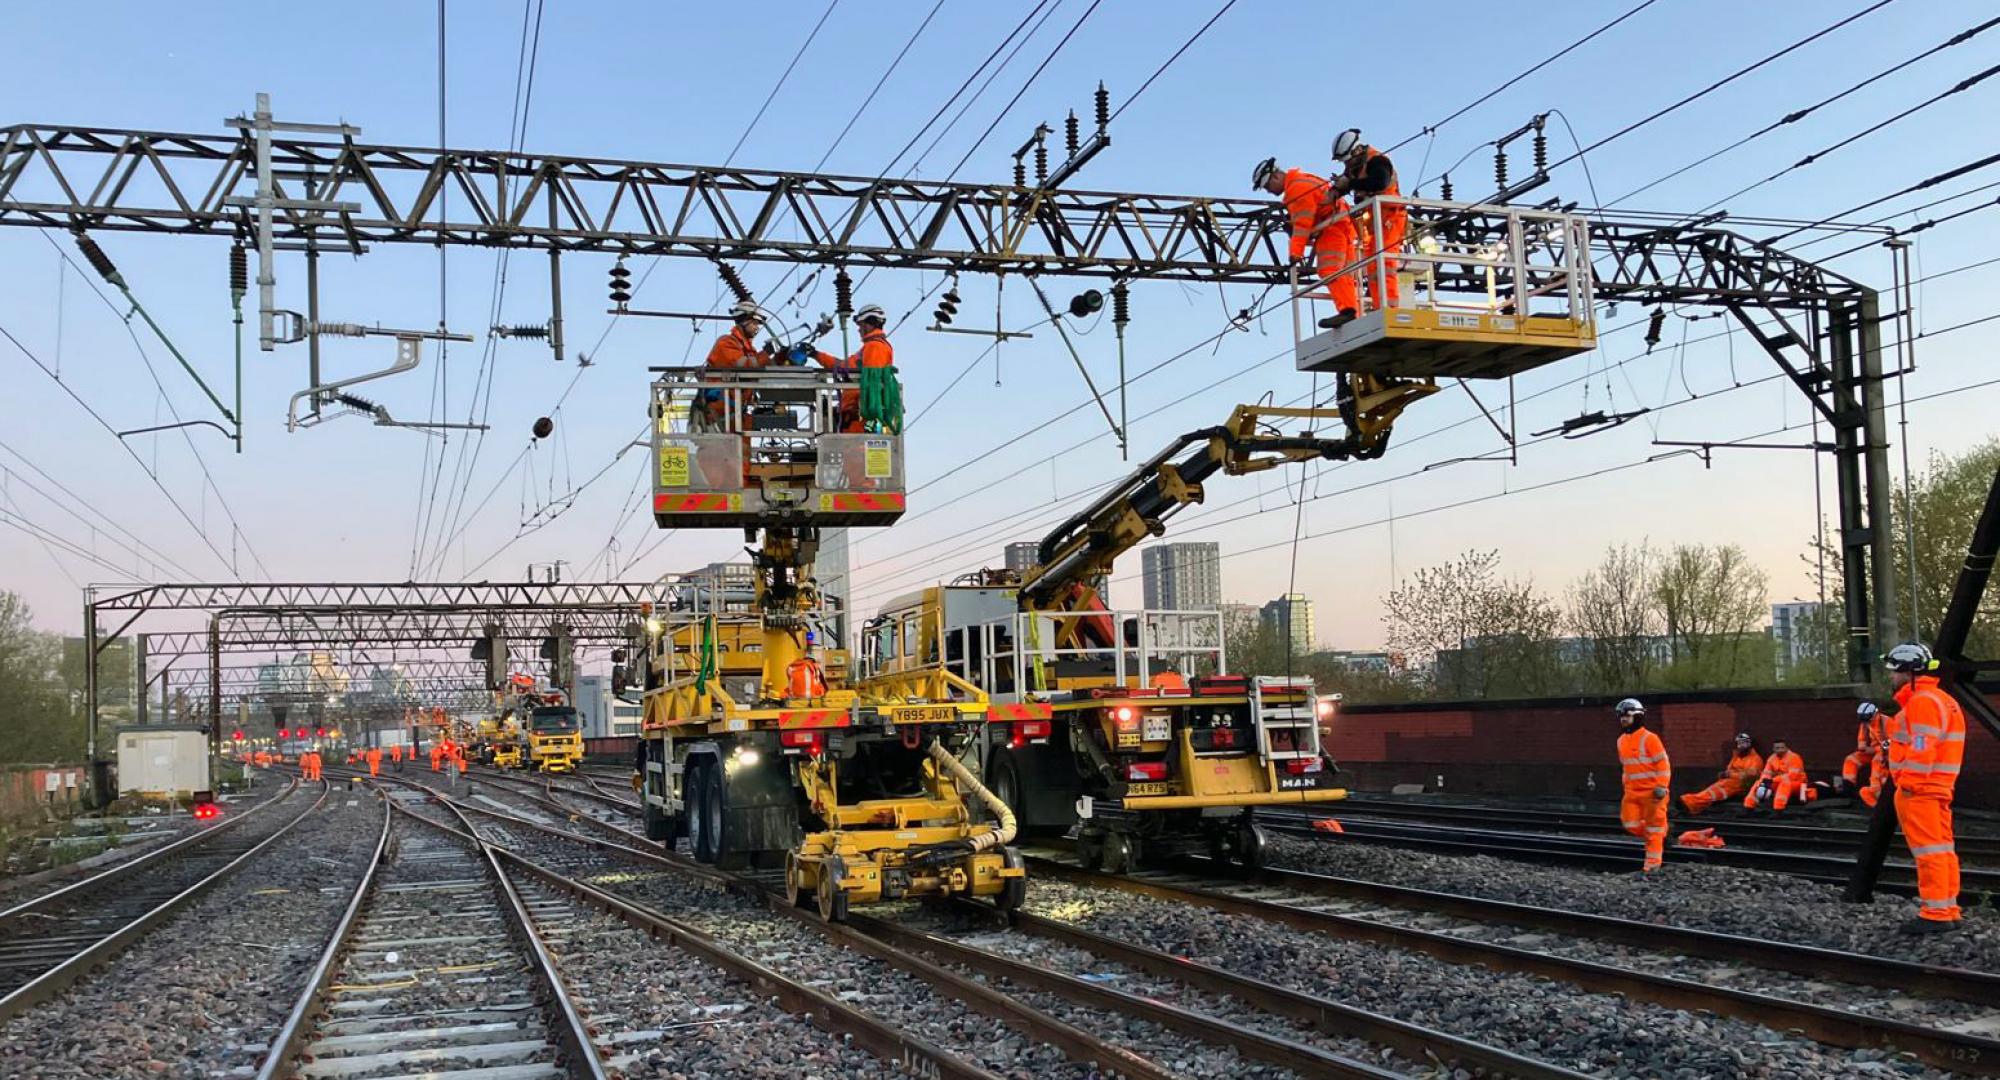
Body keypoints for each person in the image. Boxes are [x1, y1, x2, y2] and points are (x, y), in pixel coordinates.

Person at [1880, 642, 1966, 933]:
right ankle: (1948, 908)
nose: (1891, 677)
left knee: (1928, 852)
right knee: (1942, 850)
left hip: (1920, 791)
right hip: (1937, 788)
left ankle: (1936, 913)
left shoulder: (1922, 702)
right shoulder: (1943, 700)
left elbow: (1921, 746)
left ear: (1908, 672)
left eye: (1894, 672)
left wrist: (1908, 785)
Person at [1255, 157, 1359, 329]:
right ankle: (1352, 310)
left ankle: (1348, 311)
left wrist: (1295, 253)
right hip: (1341, 225)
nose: (1268, 191)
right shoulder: (1302, 180)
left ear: (1275, 177)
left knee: (1329, 269)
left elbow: (1302, 225)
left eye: (1267, 186)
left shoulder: (1297, 189)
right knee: (1345, 274)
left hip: (1333, 227)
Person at [1327, 129, 1405, 313]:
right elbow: (1349, 181)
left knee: (1384, 265)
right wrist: (1338, 189)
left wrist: (1351, 185)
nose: (1346, 163)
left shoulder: (1378, 161)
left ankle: (1390, 309)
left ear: (1356, 151)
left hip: (1390, 217)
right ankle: (1381, 307)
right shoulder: (1355, 166)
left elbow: (1379, 183)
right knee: (1373, 267)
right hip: (1374, 221)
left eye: (1347, 159)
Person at [815, 304, 896, 432]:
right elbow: (842, 366)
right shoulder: (868, 348)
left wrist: (861, 412)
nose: (859, 330)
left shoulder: (875, 347)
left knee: (858, 451)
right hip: (855, 419)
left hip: (861, 420)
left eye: (861, 325)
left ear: (870, 324)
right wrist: (816, 354)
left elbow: (872, 384)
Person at [1614, 698, 1671, 873]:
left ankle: (1651, 868)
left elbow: (1663, 764)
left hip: (1653, 794)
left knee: (1654, 829)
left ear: (1638, 716)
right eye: (1621, 716)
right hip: (1632, 793)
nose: (1623, 719)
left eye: (1627, 716)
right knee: (1630, 824)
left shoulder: (1650, 738)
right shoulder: (1621, 741)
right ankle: (1661, 835)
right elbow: (1626, 767)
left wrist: (1661, 786)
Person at [696, 301, 771, 432]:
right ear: (744, 321)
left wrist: (780, 357)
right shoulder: (726, 343)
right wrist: (766, 354)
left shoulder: (746, 348)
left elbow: (757, 367)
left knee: (743, 451)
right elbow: (746, 367)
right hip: (718, 415)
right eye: (754, 323)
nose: (756, 327)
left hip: (733, 414)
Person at [1680, 733, 1763, 815]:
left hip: (1739, 785)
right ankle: (1689, 803)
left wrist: (1730, 775)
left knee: (1711, 794)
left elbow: (1750, 776)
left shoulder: (1755, 759)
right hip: (1727, 781)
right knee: (1709, 792)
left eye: (1743, 743)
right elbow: (1730, 769)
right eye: (1739, 743)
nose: (1740, 746)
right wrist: (1724, 774)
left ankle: (1688, 802)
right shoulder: (1737, 757)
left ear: (1749, 744)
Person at [1836, 701, 1888, 807]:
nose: (1865, 722)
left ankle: (1876, 792)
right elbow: (1861, 741)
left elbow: (1892, 741)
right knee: (1851, 759)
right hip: (1874, 750)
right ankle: (1848, 789)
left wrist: (1878, 750)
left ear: (1874, 714)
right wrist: (1862, 748)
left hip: (1886, 751)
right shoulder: (1865, 724)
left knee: (1876, 761)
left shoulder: (1886, 722)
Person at [1744, 739, 1811, 812]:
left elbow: (1793, 776)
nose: (1780, 750)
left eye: (1782, 748)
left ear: (1786, 748)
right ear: (1773, 749)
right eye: (1777, 748)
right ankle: (1749, 807)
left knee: (1785, 784)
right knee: (1759, 783)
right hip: (1778, 781)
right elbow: (1766, 773)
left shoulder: (1794, 757)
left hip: (1798, 783)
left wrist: (1772, 780)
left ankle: (1778, 809)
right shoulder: (1772, 758)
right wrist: (1765, 781)